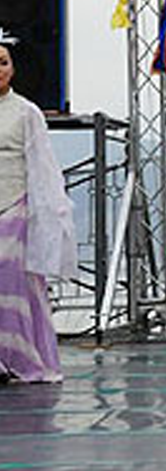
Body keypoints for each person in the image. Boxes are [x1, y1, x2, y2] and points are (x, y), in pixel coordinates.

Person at [0, 36, 77, 383]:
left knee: (13, 282)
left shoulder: (26, 112)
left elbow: (43, 165)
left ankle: (22, 359)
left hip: (14, 206)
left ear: (13, 69)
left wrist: (47, 213)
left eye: (3, 62)